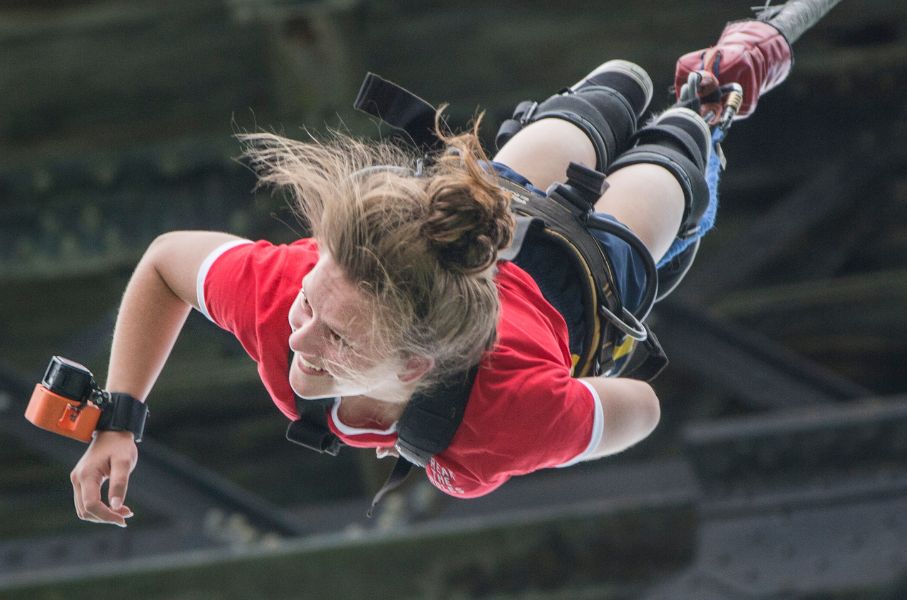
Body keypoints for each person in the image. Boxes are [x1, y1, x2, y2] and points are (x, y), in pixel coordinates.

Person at [68, 24, 792, 526]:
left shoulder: (494, 419)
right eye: (312, 305)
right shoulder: (296, 302)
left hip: (507, 232)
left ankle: (642, 101)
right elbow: (166, 263)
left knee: (574, 148)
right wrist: (118, 423)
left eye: (336, 335)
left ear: (414, 362)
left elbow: (641, 408)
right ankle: (691, 109)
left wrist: (120, 415)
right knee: (665, 153)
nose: (302, 337)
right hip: (573, 271)